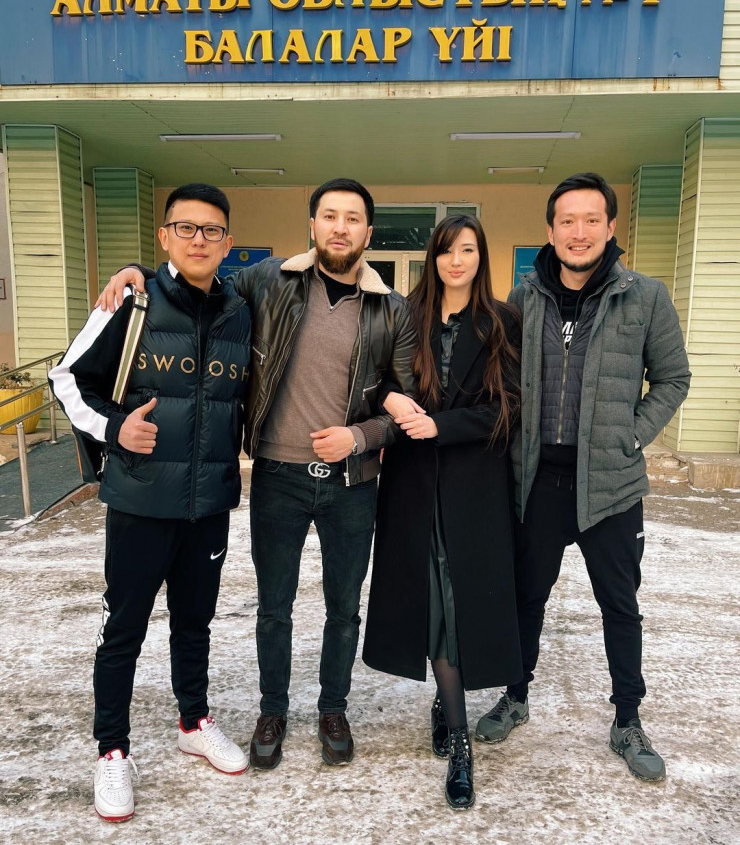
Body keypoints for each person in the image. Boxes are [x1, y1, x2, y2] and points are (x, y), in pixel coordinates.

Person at [98, 178, 417, 771]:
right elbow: (197, 276)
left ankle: (333, 708)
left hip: (352, 482)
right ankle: (273, 709)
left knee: (344, 608)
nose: (340, 227)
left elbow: (405, 399)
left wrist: (359, 437)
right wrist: (135, 271)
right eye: (329, 215)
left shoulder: (393, 310)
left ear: (369, 233)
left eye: (352, 218)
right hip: (278, 476)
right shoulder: (269, 280)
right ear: (312, 225)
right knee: (274, 607)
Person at [475, 172, 691, 782]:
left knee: (619, 604)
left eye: (591, 219)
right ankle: (515, 695)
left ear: (610, 227)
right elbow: (501, 381)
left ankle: (628, 719)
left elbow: (672, 378)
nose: (579, 231)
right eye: (567, 220)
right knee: (527, 598)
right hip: (537, 482)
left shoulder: (645, 297)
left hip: (611, 486)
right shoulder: (523, 298)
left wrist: (630, 435)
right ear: (550, 231)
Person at [49, 183, 251, 822]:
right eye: (185, 228)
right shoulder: (131, 302)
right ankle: (112, 750)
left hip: (207, 504)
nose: (199, 239)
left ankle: (194, 722)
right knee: (123, 631)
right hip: (139, 502)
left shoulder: (239, 309)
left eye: (211, 230)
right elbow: (65, 378)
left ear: (227, 242)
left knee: (195, 623)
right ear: (164, 236)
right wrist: (115, 430)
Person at [362, 215, 523, 810]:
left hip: (473, 486)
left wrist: (442, 425)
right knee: (432, 599)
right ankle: (457, 731)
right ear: (432, 257)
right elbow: (370, 379)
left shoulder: (502, 321)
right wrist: (391, 398)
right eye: (447, 250)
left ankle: (454, 729)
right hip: (411, 484)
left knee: (457, 602)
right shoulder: (404, 315)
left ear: (481, 257)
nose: (457, 260)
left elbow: (510, 407)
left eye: (469, 250)